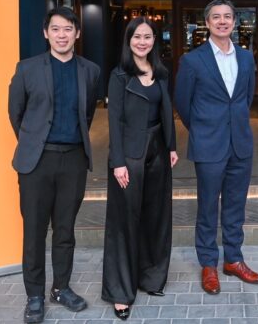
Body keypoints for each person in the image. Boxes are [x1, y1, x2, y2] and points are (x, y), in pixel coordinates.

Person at [8, 7, 101, 324]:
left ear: (78, 33)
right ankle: (34, 295)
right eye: (56, 29)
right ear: (46, 33)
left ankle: (61, 288)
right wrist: (34, 142)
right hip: (37, 161)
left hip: (73, 159)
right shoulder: (27, 69)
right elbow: (16, 114)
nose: (62, 35)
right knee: (34, 232)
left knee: (65, 230)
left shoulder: (90, 71)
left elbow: (87, 114)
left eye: (68, 29)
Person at [174, 0, 258, 294]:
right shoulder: (192, 60)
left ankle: (234, 260)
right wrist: (203, 130)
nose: (222, 21)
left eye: (227, 16)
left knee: (236, 206)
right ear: (207, 23)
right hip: (208, 145)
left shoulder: (246, 58)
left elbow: (245, 99)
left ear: (234, 22)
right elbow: (183, 104)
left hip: (241, 144)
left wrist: (232, 125)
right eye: (216, 17)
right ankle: (209, 264)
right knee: (208, 207)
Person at [101, 17, 179, 320]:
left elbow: (166, 111)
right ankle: (120, 292)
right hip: (129, 155)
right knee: (124, 222)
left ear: (154, 40)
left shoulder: (161, 72)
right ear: (128, 40)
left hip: (158, 150)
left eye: (147, 37)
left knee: (155, 217)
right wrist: (118, 162)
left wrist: (171, 146)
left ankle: (151, 278)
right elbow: (114, 121)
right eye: (137, 37)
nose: (142, 42)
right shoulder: (119, 75)